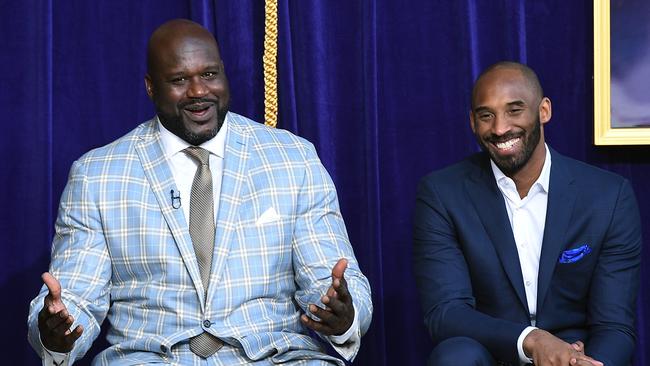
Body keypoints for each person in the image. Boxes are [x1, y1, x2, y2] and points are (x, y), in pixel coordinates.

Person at [28, 19, 372, 365]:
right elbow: (74, 295)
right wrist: (57, 331)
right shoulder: (97, 175)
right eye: (179, 80)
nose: (198, 91)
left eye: (209, 75)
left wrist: (342, 315)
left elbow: (332, 280)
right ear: (151, 87)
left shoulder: (292, 158)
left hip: (277, 357)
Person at [413, 61, 641, 366]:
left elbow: (614, 325)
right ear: (472, 122)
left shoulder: (608, 196)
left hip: (574, 354)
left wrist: (583, 364)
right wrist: (531, 340)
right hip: (490, 352)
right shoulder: (442, 194)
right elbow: (446, 313)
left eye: (514, 110)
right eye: (486, 116)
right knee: (454, 356)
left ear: (543, 111)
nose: (500, 128)